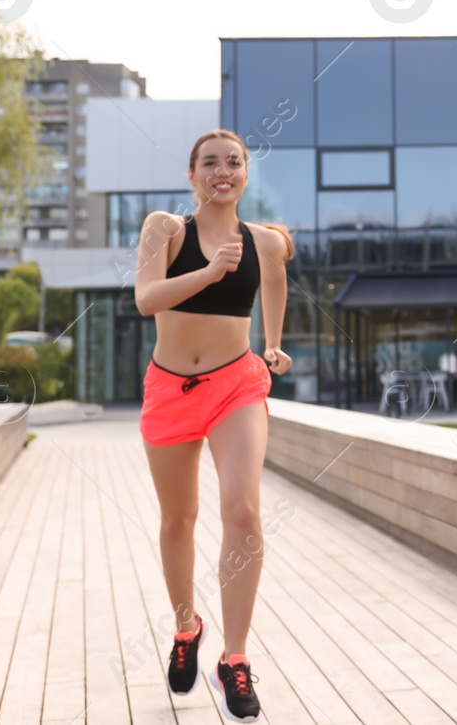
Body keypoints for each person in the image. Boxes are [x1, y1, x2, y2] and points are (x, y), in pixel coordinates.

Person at [133, 128, 295, 723]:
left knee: (243, 511)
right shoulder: (165, 229)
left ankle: (235, 656)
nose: (221, 171)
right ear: (192, 176)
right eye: (209, 163)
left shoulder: (265, 241)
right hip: (170, 389)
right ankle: (186, 628)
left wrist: (273, 345)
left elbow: (275, 279)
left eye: (233, 162)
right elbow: (146, 298)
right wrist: (208, 272)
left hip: (237, 384)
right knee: (179, 520)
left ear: (245, 174)